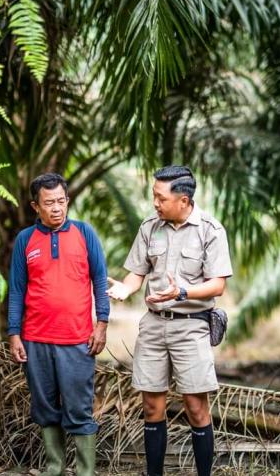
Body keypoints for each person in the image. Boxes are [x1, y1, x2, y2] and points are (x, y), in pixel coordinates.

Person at [106, 165, 232, 476]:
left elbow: (218, 284)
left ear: (184, 200)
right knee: (152, 407)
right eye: (154, 196)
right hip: (153, 325)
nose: (155, 203)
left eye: (161, 198)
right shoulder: (150, 226)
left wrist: (183, 292)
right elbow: (137, 272)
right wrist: (125, 287)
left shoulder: (210, 231)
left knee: (196, 407)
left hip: (191, 327)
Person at [7, 173, 110, 476]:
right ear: (34, 206)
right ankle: (54, 468)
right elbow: (16, 289)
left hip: (78, 340)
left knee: (79, 408)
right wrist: (14, 333)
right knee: (45, 408)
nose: (56, 208)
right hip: (36, 339)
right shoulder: (25, 240)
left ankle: (85, 471)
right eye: (49, 202)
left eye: (61, 201)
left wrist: (101, 324)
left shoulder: (84, 233)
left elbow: (100, 279)